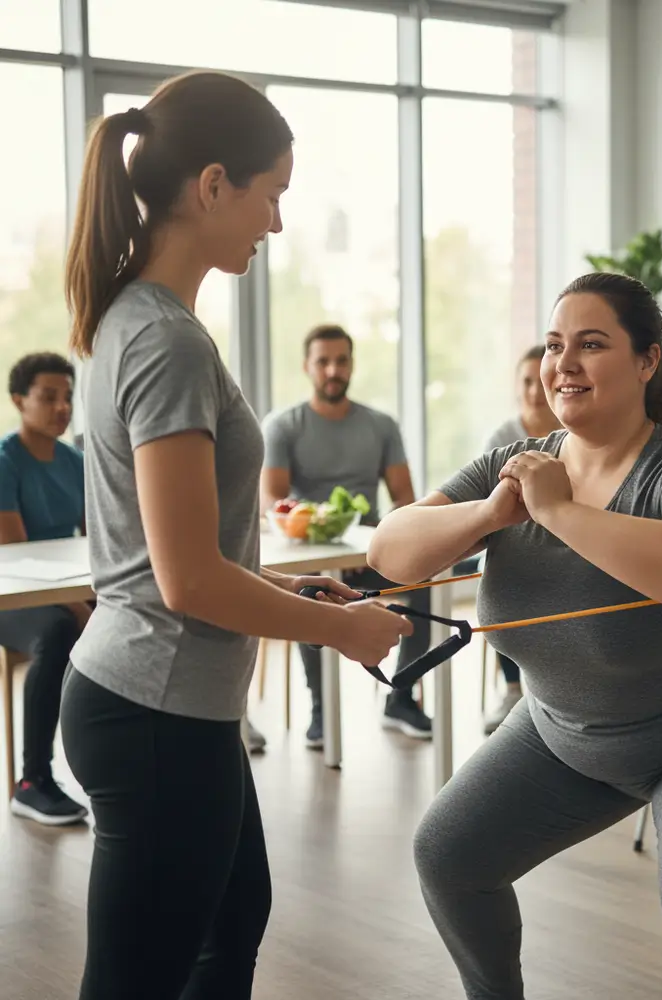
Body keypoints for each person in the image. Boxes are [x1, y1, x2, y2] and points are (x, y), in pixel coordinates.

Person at [59, 70, 411, 1000]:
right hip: (155, 711)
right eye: (272, 196)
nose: (277, 223)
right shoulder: (164, 339)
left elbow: (170, 560)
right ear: (213, 185)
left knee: (232, 922)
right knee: (144, 978)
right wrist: (340, 630)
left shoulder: (138, 319)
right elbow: (185, 582)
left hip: (166, 701)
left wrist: (296, 595)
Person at [368, 272, 662, 1000]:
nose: (562, 364)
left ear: (647, 361)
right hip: (565, 732)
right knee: (451, 856)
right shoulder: (514, 466)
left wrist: (559, 514)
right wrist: (487, 515)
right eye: (553, 345)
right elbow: (391, 550)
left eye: (592, 344)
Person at [260, 323, 433, 743]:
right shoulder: (283, 426)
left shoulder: (381, 426)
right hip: (310, 555)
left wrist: (376, 551)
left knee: (426, 580)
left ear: (352, 365)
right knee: (308, 592)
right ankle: (320, 710)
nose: (333, 370)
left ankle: (402, 697)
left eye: (341, 361)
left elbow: (406, 502)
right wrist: (330, 556)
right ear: (307, 367)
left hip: (372, 552)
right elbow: (273, 504)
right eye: (323, 362)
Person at [0, 352, 89, 825]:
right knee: (56, 630)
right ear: (19, 400)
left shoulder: (75, 461)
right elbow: (20, 561)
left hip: (63, 589)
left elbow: (95, 538)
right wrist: (80, 607)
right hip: (13, 596)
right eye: (48, 397)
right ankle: (33, 781)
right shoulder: (4, 462)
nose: (62, 407)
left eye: (67, 397)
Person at [480, 344, 561, 734]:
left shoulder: (572, 432)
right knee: (506, 577)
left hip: (566, 536)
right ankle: (513, 689)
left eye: (537, 381)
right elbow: (489, 502)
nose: (532, 391)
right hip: (516, 536)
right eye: (525, 382)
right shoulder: (502, 437)